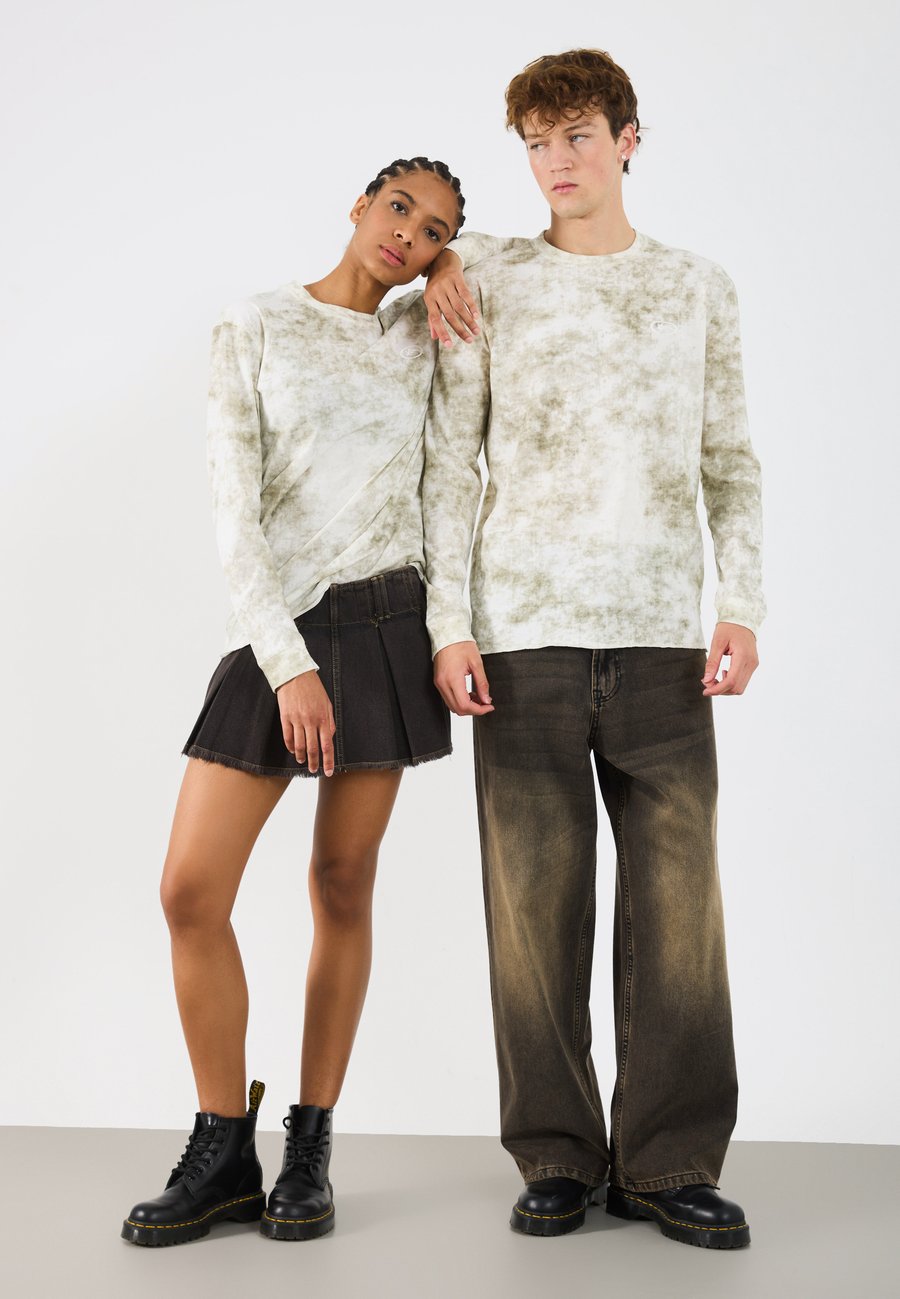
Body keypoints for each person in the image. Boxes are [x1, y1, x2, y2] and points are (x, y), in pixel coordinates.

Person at [421, 48, 764, 1250]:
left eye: (577, 136)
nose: (555, 162)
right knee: (534, 913)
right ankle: (557, 1155)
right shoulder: (488, 279)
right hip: (523, 638)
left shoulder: (696, 288)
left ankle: (669, 1163)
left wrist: (742, 602)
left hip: (662, 638)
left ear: (628, 140)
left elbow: (730, 459)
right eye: (536, 141)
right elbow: (449, 462)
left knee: (680, 917)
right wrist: (451, 624)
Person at [121, 157, 470, 1247]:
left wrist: (454, 268)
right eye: (399, 208)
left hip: (390, 622)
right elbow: (234, 510)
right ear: (360, 206)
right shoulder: (257, 322)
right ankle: (222, 1147)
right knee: (190, 890)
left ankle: (310, 1144)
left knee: (341, 882)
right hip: (283, 633)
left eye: (435, 229)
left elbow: (448, 489)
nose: (409, 234)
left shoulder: (429, 335)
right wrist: (286, 664)